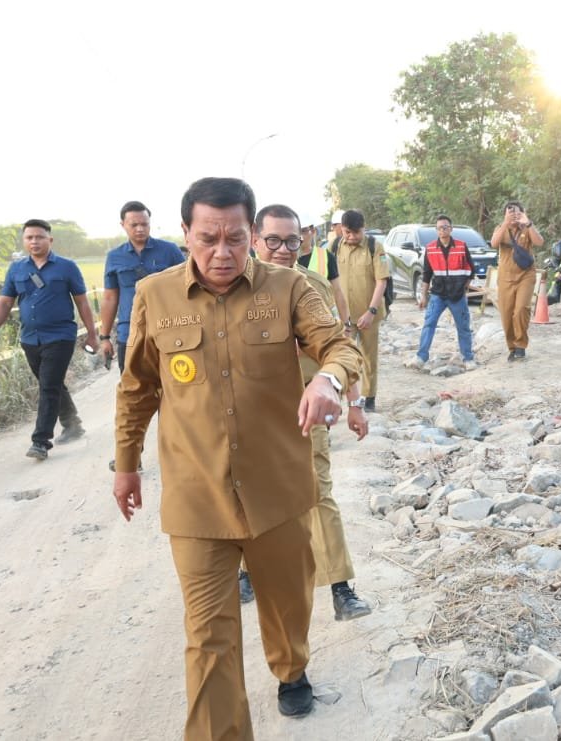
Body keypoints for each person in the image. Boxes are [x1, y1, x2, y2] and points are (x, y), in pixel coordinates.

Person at [112, 177, 362, 730]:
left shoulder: (290, 287)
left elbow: (341, 345)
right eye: (207, 238)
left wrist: (327, 380)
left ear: (251, 233)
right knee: (208, 638)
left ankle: (291, 669)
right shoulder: (156, 295)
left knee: (287, 608)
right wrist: (126, 465)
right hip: (196, 496)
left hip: (277, 490)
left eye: (234, 239)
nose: (221, 253)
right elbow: (137, 388)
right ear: (185, 234)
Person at [251, 204, 373, 621]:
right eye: (273, 241)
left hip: (307, 406)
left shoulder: (315, 286)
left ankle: (340, 587)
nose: (284, 250)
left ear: (303, 240)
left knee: (318, 493)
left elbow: (340, 348)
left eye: (291, 240)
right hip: (252, 415)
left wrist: (355, 402)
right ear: (255, 240)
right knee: (251, 493)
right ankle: (249, 571)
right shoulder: (233, 290)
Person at [0, 219, 99, 460]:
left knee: (48, 386)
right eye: (29, 238)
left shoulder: (66, 267)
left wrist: (92, 333)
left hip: (60, 336)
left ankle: (41, 441)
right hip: (30, 338)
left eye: (39, 237)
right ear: (24, 241)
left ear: (50, 240)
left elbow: (82, 301)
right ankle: (72, 423)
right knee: (52, 383)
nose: (34, 241)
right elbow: (5, 302)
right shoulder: (17, 269)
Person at [98, 200, 185, 373]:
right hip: (129, 333)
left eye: (144, 224)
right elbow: (110, 298)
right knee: (132, 388)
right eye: (134, 224)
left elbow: (186, 287)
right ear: (123, 225)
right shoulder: (114, 257)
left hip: (167, 329)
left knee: (173, 385)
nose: (140, 229)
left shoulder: (170, 251)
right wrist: (105, 337)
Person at [332, 209, 389, 411]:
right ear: (342, 229)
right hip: (343, 316)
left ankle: (369, 397)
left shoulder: (375, 247)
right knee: (341, 357)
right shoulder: (335, 246)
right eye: (347, 232)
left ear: (363, 228)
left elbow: (381, 281)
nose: (352, 237)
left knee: (368, 358)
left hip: (368, 314)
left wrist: (371, 312)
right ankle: (339, 398)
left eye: (356, 232)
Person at [413, 214, 477, 370]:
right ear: (436, 230)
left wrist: (463, 287)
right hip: (438, 295)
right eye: (440, 227)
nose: (443, 230)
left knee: (463, 327)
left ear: (451, 229)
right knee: (429, 324)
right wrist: (423, 296)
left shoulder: (461, 246)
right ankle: (421, 357)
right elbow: (427, 274)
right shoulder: (430, 248)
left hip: (457, 296)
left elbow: (471, 269)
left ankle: (468, 358)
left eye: (446, 227)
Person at [490, 200, 544, 361]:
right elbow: (493, 243)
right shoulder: (501, 228)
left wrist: (528, 223)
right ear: (505, 214)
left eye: (517, 212)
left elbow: (539, 242)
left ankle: (520, 345)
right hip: (505, 277)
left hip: (526, 276)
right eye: (510, 212)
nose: (514, 215)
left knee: (521, 309)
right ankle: (511, 347)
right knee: (506, 313)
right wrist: (506, 224)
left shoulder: (527, 228)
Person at [297, 215, 351, 329]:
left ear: (313, 231)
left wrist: (346, 323)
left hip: (323, 323)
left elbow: (337, 291)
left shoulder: (326, 256)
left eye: (303, 231)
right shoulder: (282, 258)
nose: (299, 236)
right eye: (295, 231)